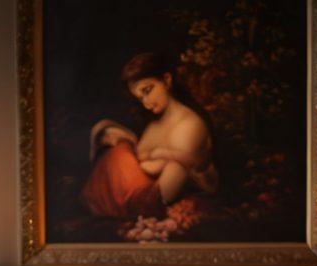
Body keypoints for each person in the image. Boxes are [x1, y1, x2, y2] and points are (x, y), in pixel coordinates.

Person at [82, 52, 217, 220]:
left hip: (148, 199)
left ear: (167, 80)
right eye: (140, 98)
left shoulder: (189, 124)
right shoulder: (154, 124)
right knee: (118, 147)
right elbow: (144, 162)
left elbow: (179, 170)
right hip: (134, 190)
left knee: (125, 153)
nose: (146, 103)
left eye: (148, 90)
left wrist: (146, 160)